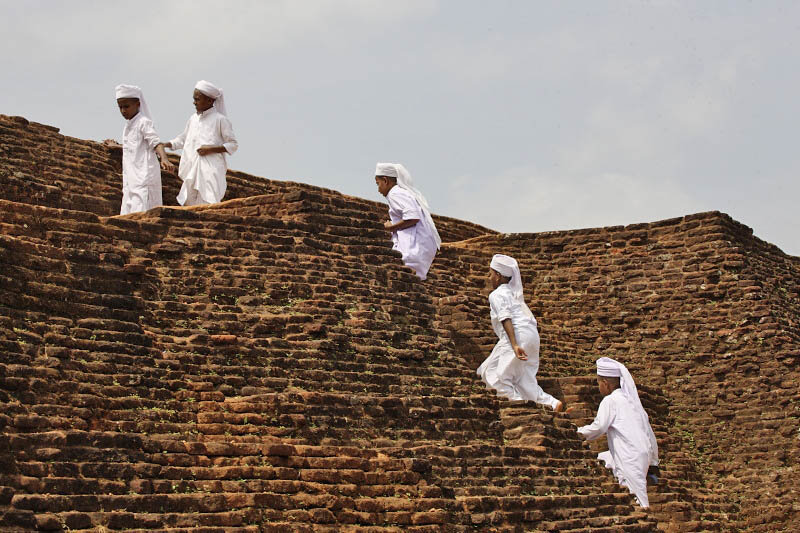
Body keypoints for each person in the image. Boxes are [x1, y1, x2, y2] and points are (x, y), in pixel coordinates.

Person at [477, 254, 564, 411]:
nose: (489, 277)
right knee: (524, 377)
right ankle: (550, 403)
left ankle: (520, 406)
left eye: (490, 273)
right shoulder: (514, 294)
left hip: (516, 336)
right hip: (531, 336)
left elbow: (505, 317)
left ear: (497, 275)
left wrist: (515, 344)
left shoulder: (496, 294)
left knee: (492, 376)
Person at [576, 357, 660, 508]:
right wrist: (654, 461)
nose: (598, 386)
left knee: (637, 496)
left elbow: (599, 427)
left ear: (605, 384)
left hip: (629, 455)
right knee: (604, 459)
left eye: (598, 382)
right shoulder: (633, 402)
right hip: (642, 453)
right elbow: (649, 432)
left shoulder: (611, 401)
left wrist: (578, 433)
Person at [160, 80, 238, 206]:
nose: (194, 102)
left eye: (197, 99)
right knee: (189, 202)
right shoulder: (193, 119)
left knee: (209, 201)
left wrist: (211, 149)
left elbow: (233, 144)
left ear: (209, 101)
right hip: (192, 166)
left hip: (210, 168)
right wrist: (166, 144)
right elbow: (183, 139)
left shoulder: (220, 120)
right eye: (194, 99)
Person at [109, 84, 173, 215]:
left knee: (143, 210)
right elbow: (134, 146)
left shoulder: (144, 122)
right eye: (120, 107)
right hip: (131, 177)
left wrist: (164, 159)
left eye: (126, 106)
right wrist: (117, 146)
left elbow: (156, 142)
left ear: (137, 104)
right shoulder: (128, 126)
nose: (123, 111)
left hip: (144, 175)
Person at [374, 163, 441, 280]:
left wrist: (391, 227)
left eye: (378, 184)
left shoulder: (394, 193)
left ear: (385, 181)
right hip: (420, 245)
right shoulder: (401, 193)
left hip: (413, 246)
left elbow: (413, 217)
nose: (378, 189)